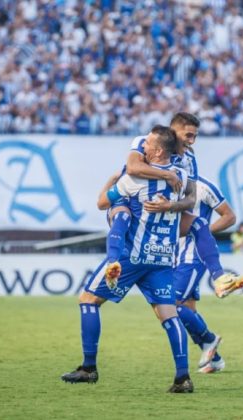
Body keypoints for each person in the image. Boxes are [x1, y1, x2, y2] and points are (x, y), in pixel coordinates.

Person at [61, 126, 195, 393]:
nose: (142, 148)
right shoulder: (181, 175)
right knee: (169, 315)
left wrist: (112, 181)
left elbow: (102, 203)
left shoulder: (133, 180)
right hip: (163, 257)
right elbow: (190, 201)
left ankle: (88, 368)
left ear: (157, 150)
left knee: (88, 300)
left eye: (147, 145)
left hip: (131, 256)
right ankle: (183, 378)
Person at [123, 112, 243, 298]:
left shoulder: (189, 159)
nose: (192, 141)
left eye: (195, 136)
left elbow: (191, 198)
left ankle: (220, 278)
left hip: (164, 221)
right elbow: (132, 167)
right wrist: (168, 175)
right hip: (134, 209)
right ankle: (113, 262)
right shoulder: (146, 141)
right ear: (173, 132)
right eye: (188, 135)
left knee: (199, 224)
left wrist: (170, 207)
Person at [175, 175, 236, 374]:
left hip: (193, 256)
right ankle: (215, 359)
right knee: (188, 310)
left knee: (172, 304)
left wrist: (202, 231)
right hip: (171, 255)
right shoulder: (165, 181)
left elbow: (229, 216)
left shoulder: (204, 187)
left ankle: (210, 340)